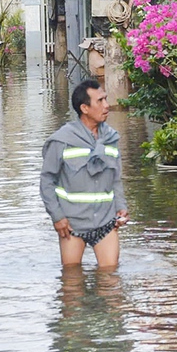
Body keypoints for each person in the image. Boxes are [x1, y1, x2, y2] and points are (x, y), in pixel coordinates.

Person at [40, 79, 129, 268]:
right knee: (71, 284)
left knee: (111, 281)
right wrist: (57, 217)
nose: (106, 106)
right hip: (72, 225)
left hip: (106, 222)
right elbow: (47, 180)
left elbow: (116, 178)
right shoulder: (62, 140)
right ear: (85, 108)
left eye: (105, 99)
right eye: (100, 101)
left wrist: (121, 206)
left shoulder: (111, 139)